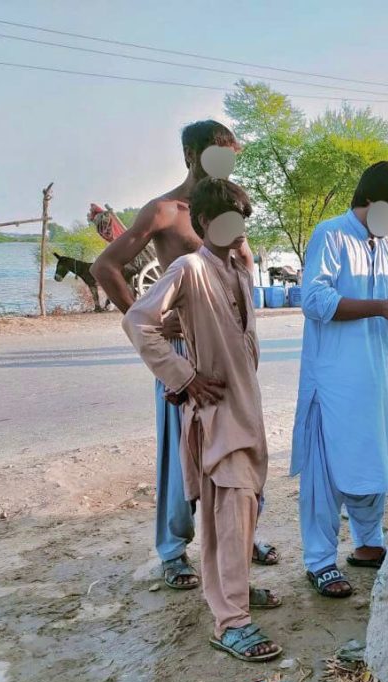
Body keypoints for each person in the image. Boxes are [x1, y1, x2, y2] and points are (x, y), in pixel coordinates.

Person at [92, 121, 280, 590]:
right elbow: (105, 265)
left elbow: (243, 277)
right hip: (182, 351)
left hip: (227, 350)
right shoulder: (165, 211)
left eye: (231, 154)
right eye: (216, 153)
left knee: (237, 443)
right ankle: (174, 549)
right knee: (180, 455)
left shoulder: (230, 207)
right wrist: (152, 318)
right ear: (190, 154)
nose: (224, 162)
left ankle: (241, 533)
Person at [122, 178, 281, 661]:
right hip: (214, 413)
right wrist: (183, 377)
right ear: (204, 222)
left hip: (247, 409)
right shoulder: (187, 268)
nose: (236, 231)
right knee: (228, 510)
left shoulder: (241, 270)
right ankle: (231, 622)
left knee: (244, 508)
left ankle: (231, 589)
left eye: (242, 223)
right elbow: (138, 322)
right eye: (226, 221)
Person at [292, 161, 388, 598]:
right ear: (373, 201)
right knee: (325, 470)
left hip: (371, 374)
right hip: (333, 377)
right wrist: (381, 308)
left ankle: (368, 544)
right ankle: (320, 561)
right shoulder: (332, 233)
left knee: (371, 460)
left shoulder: (382, 245)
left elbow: (381, 300)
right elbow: (314, 300)